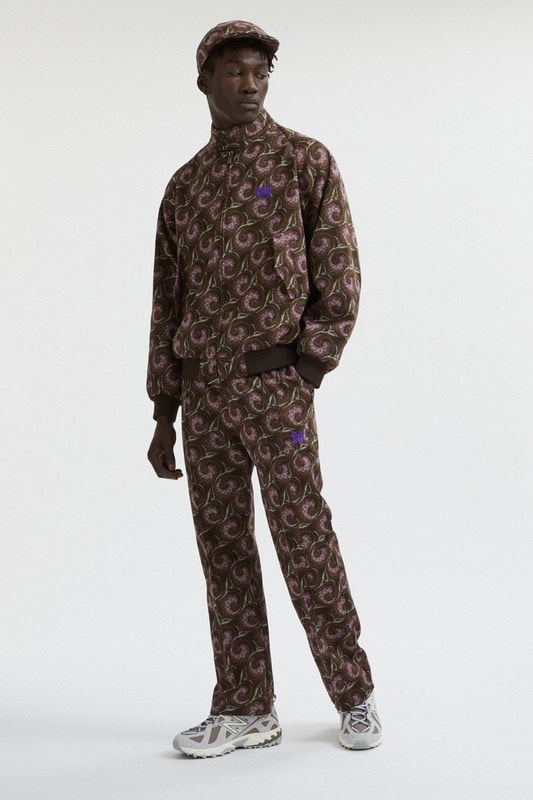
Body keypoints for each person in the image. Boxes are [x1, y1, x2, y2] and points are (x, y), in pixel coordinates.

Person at [146, 19, 382, 759]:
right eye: (235, 72)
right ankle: (246, 707)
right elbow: (167, 302)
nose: (250, 85)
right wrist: (163, 411)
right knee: (222, 550)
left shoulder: (304, 160)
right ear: (204, 81)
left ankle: (354, 695)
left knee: (304, 536)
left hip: (276, 388)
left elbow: (339, 274)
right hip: (202, 400)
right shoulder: (184, 187)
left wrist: (306, 369)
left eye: (260, 73)